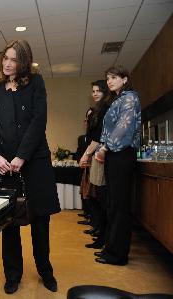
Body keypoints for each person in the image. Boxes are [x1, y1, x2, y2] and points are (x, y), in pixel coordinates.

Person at [0, 40, 60, 294]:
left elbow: (39, 122)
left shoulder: (36, 83)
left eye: (13, 59)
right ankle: (12, 274)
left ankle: (45, 270)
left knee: (40, 220)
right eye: (5, 58)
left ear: (24, 62)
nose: (8, 63)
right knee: (9, 222)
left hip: (35, 161)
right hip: (6, 166)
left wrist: (22, 156)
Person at [94, 65, 141, 266]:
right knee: (113, 204)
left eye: (113, 77)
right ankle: (111, 249)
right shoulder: (118, 99)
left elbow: (124, 128)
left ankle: (118, 254)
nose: (109, 81)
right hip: (114, 155)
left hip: (122, 154)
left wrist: (104, 148)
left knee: (120, 206)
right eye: (107, 78)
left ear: (124, 79)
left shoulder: (131, 98)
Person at [79, 80, 111, 249]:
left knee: (100, 197)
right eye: (93, 91)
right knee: (95, 196)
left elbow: (97, 138)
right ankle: (100, 234)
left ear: (105, 92)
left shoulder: (105, 109)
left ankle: (102, 237)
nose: (95, 93)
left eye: (98, 90)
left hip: (99, 156)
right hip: (95, 155)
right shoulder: (97, 110)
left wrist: (85, 155)